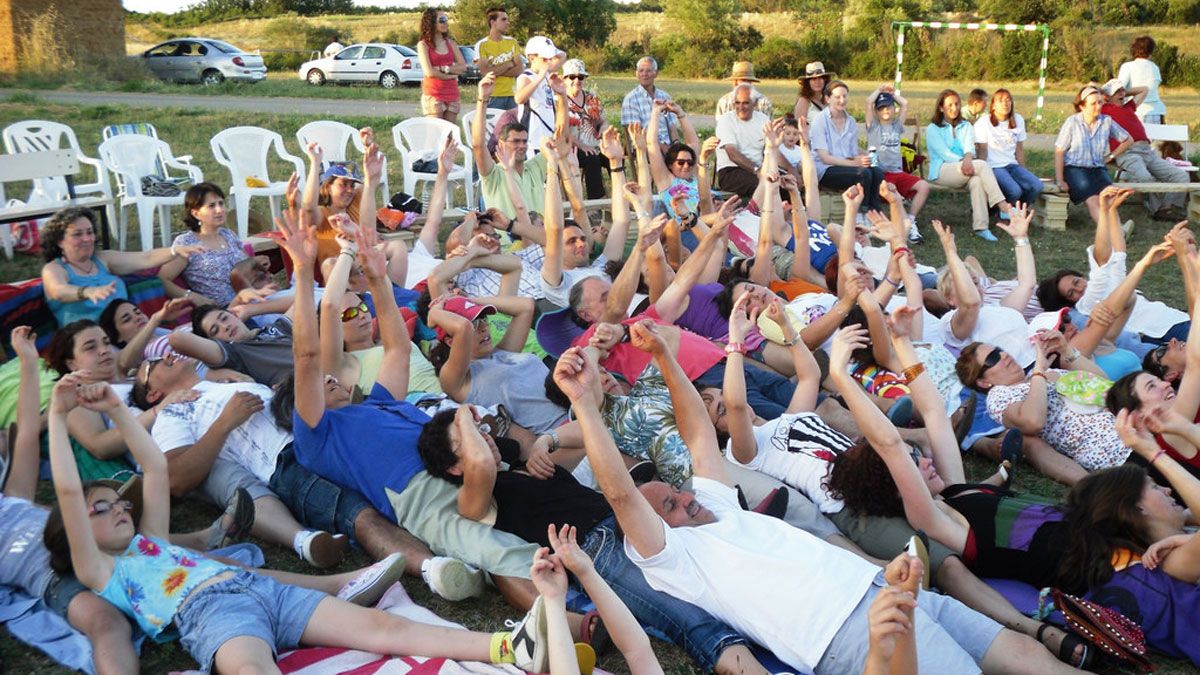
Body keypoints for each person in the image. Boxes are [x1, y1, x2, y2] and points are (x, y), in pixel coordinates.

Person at [552, 324, 1082, 675]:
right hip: (844, 630)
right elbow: (621, 494)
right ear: (654, 534)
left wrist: (666, 355)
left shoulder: (719, 507)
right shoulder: (672, 561)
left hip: (879, 585)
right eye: (668, 506)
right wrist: (583, 403)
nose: (684, 499)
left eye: (676, 492)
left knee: (1012, 651)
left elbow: (696, 438)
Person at [43, 376, 556, 674]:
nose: (119, 508)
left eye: (115, 500)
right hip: (209, 613)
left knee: (387, 627)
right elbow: (67, 492)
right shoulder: (98, 570)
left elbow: (153, 470)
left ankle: (510, 647)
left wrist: (117, 406)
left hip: (261, 588)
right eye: (100, 510)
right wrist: (58, 416)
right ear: (75, 538)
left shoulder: (149, 540)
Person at [415, 404, 774, 673]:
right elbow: (480, 464)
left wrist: (544, 442)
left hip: (625, 517)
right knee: (681, 613)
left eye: (481, 430)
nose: (484, 438)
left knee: (720, 564)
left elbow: (590, 431)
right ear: (455, 467)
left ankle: (741, 529)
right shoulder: (474, 499)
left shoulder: (523, 466)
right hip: (594, 549)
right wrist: (461, 413)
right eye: (470, 439)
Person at [823, 319, 1094, 667]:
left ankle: (1001, 474)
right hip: (1080, 560)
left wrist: (902, 342)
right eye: (912, 462)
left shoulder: (953, 488)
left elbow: (935, 412)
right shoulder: (932, 516)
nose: (924, 459)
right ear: (899, 486)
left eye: (917, 454)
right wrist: (840, 375)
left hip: (1081, 527)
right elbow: (888, 443)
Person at [1060, 408, 1200, 665]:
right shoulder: (1168, 561)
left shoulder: (1179, 535)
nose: (1169, 490)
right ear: (1138, 510)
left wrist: (1184, 428)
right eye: (1156, 487)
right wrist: (1151, 452)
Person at [40, 207, 200, 326]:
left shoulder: (103, 259)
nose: (87, 239)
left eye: (90, 232)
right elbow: (58, 291)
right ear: (59, 241)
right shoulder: (54, 269)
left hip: (130, 335)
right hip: (91, 345)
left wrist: (175, 250)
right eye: (78, 234)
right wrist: (88, 292)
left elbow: (145, 258)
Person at [926, 89, 1012, 241]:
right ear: (941, 108)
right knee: (982, 165)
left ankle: (981, 227)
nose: (954, 108)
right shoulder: (933, 128)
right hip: (942, 170)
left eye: (957, 104)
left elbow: (969, 148)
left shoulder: (965, 126)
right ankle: (1003, 205)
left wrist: (967, 159)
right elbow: (944, 153)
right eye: (950, 105)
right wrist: (965, 162)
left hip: (965, 169)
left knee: (977, 181)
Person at [1100, 78, 1189, 221]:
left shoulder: (1129, 107)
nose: (1122, 94)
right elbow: (1089, 93)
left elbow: (1144, 89)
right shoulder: (1104, 109)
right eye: (1117, 92)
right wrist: (1105, 92)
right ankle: (1158, 210)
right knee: (1145, 178)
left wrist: (1122, 91)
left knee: (1181, 176)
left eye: (1122, 91)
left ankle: (1167, 208)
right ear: (1107, 97)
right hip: (1127, 152)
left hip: (1147, 151)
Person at [473, 73, 558, 220]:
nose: (522, 146)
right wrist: (483, 100)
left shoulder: (534, 167)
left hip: (540, 239)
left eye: (525, 141)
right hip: (507, 242)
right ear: (501, 143)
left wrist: (562, 96)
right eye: (516, 141)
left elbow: (561, 138)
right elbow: (478, 145)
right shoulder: (493, 174)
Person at [157, 183, 247, 308]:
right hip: (226, 312)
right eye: (211, 206)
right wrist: (192, 297)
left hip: (254, 300)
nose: (219, 210)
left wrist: (257, 264)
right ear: (196, 213)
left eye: (221, 203)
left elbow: (249, 266)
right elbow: (162, 279)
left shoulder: (228, 235)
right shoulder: (187, 243)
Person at [1053, 85, 1133, 226]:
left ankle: (1117, 230)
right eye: (1093, 103)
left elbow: (1128, 140)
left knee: (1110, 197)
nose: (1098, 106)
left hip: (1097, 168)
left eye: (1100, 102)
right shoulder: (1072, 122)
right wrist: (1060, 180)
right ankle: (1112, 232)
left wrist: (1110, 157)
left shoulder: (1106, 121)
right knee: (1093, 199)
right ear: (1082, 106)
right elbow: (1059, 151)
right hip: (1075, 169)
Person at [865, 84, 930, 242]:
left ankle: (910, 220)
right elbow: (868, 102)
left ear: (894, 109)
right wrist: (880, 90)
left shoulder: (897, 126)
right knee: (894, 192)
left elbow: (905, 104)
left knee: (924, 186)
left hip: (898, 172)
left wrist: (892, 95)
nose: (885, 110)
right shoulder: (873, 127)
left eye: (889, 107)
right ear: (876, 111)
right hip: (880, 173)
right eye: (881, 108)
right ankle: (905, 229)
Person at [812, 81, 885, 214]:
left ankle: (875, 212)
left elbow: (851, 151)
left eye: (845, 96)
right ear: (828, 99)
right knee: (864, 174)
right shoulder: (819, 120)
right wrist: (854, 163)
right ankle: (861, 214)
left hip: (845, 164)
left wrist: (863, 157)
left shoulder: (850, 121)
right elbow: (825, 158)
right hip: (825, 169)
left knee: (877, 171)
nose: (842, 100)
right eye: (837, 97)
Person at [973, 89, 1044, 209]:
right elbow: (982, 151)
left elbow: (1019, 149)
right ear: (993, 105)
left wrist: (1023, 170)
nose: (1005, 104)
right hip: (994, 166)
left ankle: (1018, 209)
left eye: (1008, 100)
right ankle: (1002, 212)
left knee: (1036, 185)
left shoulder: (1018, 119)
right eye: (1001, 101)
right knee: (1014, 190)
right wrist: (982, 176)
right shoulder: (984, 122)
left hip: (1012, 164)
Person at [559, 58, 608, 200]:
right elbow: (562, 131)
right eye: (572, 77)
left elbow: (602, 120)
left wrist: (604, 130)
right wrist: (582, 145)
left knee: (613, 157)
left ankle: (622, 199)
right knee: (592, 158)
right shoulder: (560, 101)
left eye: (581, 77)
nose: (577, 80)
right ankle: (596, 203)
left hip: (594, 144)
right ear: (565, 79)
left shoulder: (592, 98)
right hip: (571, 146)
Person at [714, 84, 771, 201]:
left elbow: (772, 149)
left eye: (745, 103)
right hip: (731, 171)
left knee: (785, 184)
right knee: (766, 186)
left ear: (754, 103)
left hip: (759, 169)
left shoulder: (763, 120)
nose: (741, 107)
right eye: (737, 103)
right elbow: (732, 153)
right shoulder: (726, 120)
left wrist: (791, 171)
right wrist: (758, 171)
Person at [514, 35, 565, 156]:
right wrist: (539, 78)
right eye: (544, 59)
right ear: (532, 57)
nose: (548, 62)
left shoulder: (548, 74)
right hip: (532, 138)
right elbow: (519, 98)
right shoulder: (526, 77)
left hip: (548, 135)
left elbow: (563, 56)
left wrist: (553, 51)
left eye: (550, 59)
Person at [417, 8, 466, 123]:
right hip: (433, 93)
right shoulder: (423, 45)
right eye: (442, 20)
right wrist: (452, 75)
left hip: (452, 92)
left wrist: (444, 69)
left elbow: (463, 67)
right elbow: (429, 72)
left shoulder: (451, 43)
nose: (445, 23)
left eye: (446, 19)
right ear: (431, 22)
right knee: (436, 133)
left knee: (449, 134)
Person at [620, 56, 676, 153]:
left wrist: (676, 144)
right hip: (645, 145)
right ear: (636, 74)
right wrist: (661, 147)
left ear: (656, 74)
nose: (644, 74)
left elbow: (672, 126)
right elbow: (636, 132)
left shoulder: (664, 96)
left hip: (667, 145)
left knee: (689, 156)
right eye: (641, 71)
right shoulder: (631, 99)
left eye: (649, 71)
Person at [472, 7, 522, 111]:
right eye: (503, 19)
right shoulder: (482, 45)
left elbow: (519, 70)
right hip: (493, 95)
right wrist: (508, 64)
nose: (507, 23)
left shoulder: (512, 42)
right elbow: (485, 73)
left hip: (512, 94)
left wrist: (494, 70)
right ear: (493, 22)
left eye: (507, 19)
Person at [1117, 36, 1166, 123]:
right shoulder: (1155, 67)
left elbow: (1119, 90)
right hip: (1157, 112)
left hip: (1136, 112)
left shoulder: (1127, 66)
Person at [794, 61, 834, 125]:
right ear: (808, 82)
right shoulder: (804, 101)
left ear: (825, 80)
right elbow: (798, 128)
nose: (817, 82)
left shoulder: (829, 99)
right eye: (813, 79)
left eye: (820, 78)